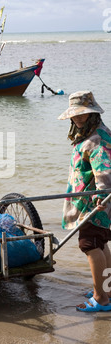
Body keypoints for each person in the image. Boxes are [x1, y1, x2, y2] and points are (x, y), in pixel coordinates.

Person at [58, 90, 111, 312]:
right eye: (75, 115)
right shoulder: (92, 132)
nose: (78, 118)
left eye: (83, 114)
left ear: (92, 113)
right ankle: (107, 289)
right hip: (95, 200)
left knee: (89, 245)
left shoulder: (96, 139)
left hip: (95, 202)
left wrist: (101, 198)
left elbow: (104, 172)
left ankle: (100, 298)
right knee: (100, 243)